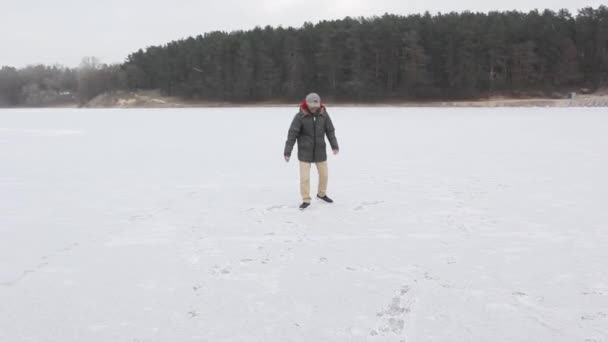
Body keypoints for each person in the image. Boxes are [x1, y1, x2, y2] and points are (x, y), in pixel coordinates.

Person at [284, 93, 339, 209]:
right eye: (312, 106)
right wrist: (287, 151)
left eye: (316, 105)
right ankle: (306, 199)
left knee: (324, 175)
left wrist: (334, 145)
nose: (314, 108)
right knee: (305, 178)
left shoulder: (324, 115)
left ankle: (321, 194)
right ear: (307, 104)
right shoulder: (300, 117)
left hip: (320, 151)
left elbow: (330, 131)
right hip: (305, 152)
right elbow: (292, 135)